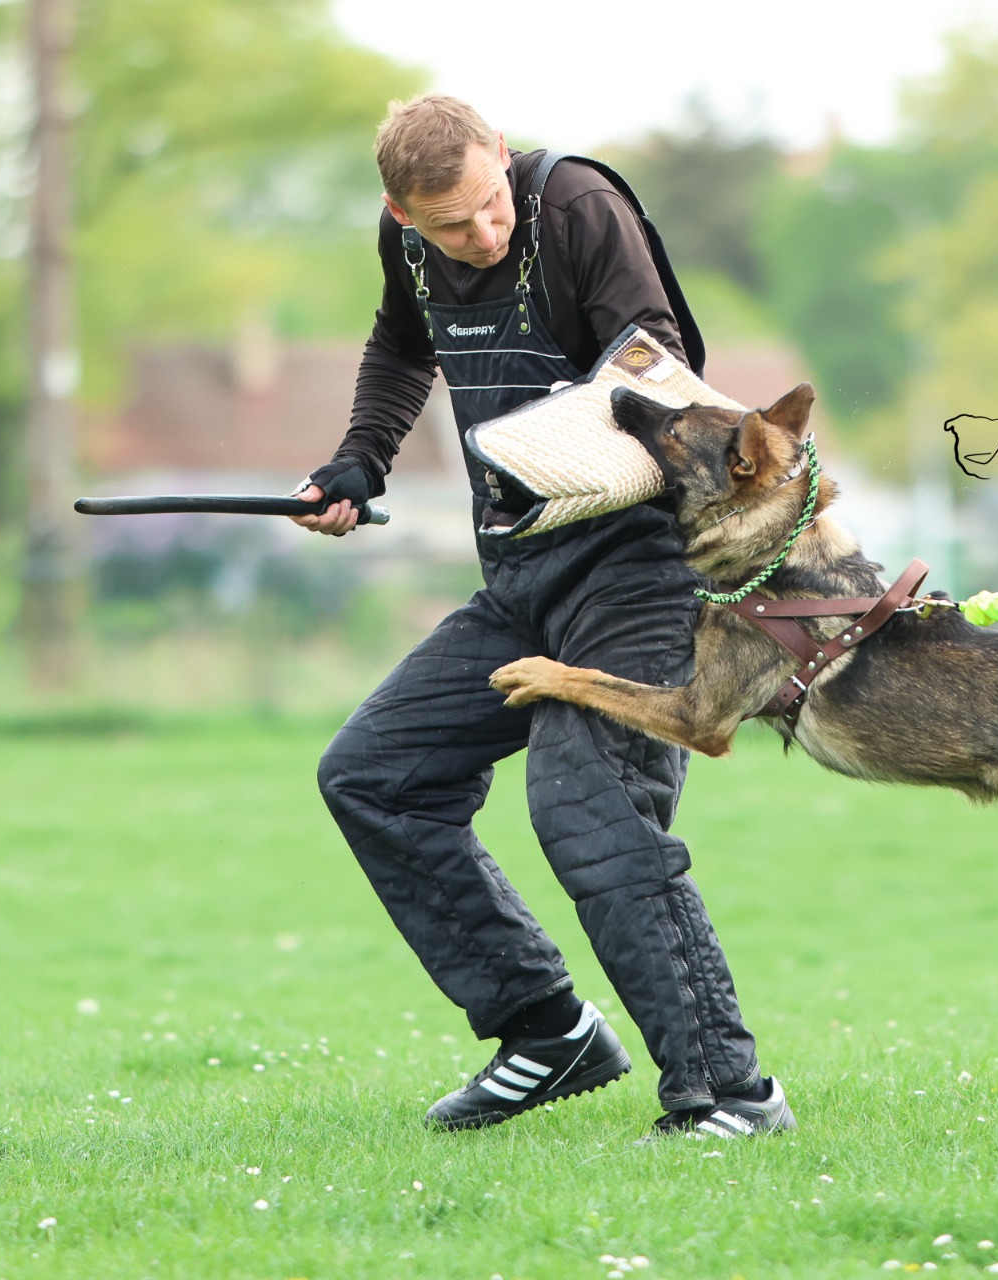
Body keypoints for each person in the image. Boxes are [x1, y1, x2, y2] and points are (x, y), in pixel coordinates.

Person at [293, 95, 791, 1140]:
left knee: (589, 808)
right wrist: (359, 459)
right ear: (400, 210)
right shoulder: (409, 240)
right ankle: (546, 1028)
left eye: (487, 207)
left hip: (640, 573)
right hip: (521, 580)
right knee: (374, 774)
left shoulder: (573, 203)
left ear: (502, 164)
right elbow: (401, 345)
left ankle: (731, 1094)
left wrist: (551, 467)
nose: (482, 234)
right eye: (450, 224)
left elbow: (652, 365)